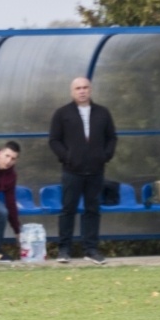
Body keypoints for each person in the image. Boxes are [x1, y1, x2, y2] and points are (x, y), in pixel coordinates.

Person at [49, 77, 117, 265]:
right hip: (72, 171)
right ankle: (64, 250)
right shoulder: (62, 113)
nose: (82, 91)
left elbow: (112, 138)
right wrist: (67, 157)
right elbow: (54, 140)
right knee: (68, 209)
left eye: (85, 87)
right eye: (78, 88)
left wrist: (105, 156)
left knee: (92, 210)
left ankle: (91, 249)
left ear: (91, 90)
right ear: (72, 92)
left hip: (96, 171)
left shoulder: (102, 113)